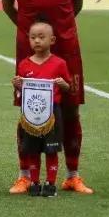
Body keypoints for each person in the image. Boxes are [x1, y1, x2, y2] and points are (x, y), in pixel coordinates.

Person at [0, 0, 92, 194]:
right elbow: (7, 4)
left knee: (71, 110)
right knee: (28, 112)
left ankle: (72, 175)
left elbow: (76, 2)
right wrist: (30, 32)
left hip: (67, 48)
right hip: (29, 53)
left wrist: (59, 31)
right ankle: (25, 175)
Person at [12, 21, 72, 197]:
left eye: (41, 37)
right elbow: (20, 92)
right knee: (32, 149)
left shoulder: (59, 63)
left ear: (52, 40)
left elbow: (68, 88)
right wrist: (17, 85)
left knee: (51, 149)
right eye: (33, 38)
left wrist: (63, 84)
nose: (37, 41)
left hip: (52, 112)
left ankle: (50, 183)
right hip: (30, 114)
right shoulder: (24, 64)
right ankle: (35, 182)